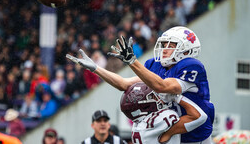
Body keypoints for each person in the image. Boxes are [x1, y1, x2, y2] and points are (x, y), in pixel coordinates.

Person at [67, 26, 214, 143]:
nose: (164, 48)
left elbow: (163, 87)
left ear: (187, 50)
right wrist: (96, 68)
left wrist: (132, 61)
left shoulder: (191, 66)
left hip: (197, 134)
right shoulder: (156, 66)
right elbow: (124, 84)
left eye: (171, 45)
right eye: (163, 44)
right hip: (172, 131)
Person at [120, 82, 206, 143]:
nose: (159, 97)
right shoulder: (158, 121)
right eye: (153, 96)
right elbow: (199, 116)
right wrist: (176, 97)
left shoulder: (137, 125)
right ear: (144, 105)